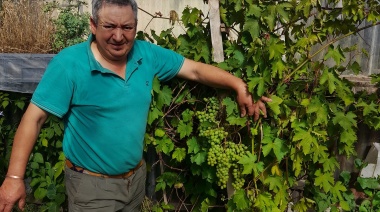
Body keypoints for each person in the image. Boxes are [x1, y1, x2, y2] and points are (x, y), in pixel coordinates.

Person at [0, 0, 271, 211]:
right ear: (93, 25)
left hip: (135, 180)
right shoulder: (69, 64)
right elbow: (33, 118)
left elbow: (196, 71)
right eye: (109, 27)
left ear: (136, 26)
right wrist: (14, 178)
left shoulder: (146, 54)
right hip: (91, 188)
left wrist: (238, 85)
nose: (119, 36)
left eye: (127, 27)